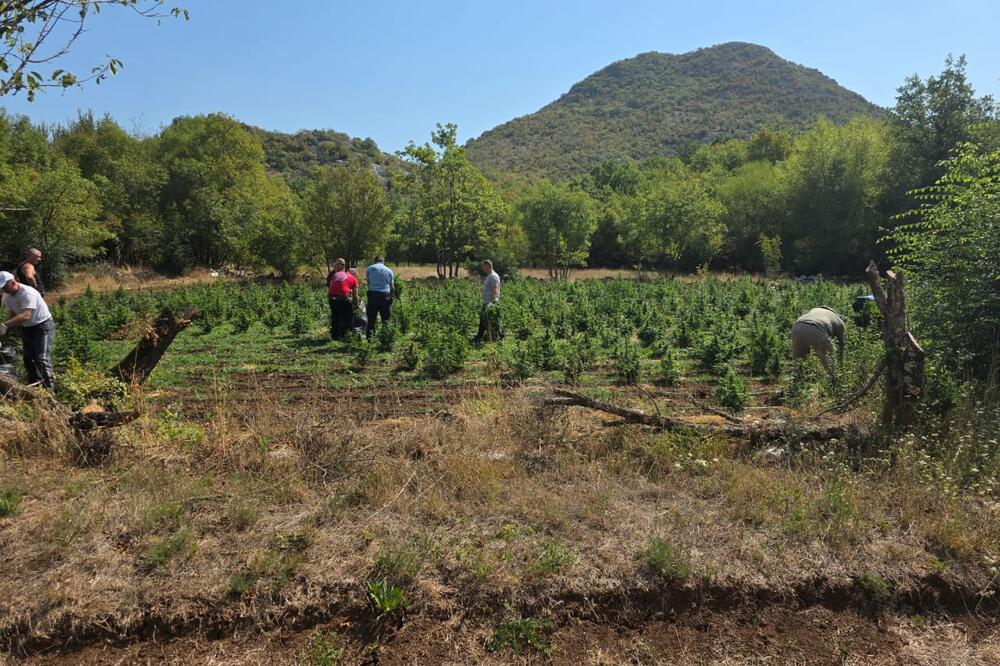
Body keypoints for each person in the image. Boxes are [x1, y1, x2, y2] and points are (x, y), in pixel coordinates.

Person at [0, 270, 56, 388]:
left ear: (12, 282)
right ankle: (34, 387)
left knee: (42, 358)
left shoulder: (27, 293)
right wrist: (6, 329)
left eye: (5, 287)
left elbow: (26, 315)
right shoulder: (9, 297)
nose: (3, 290)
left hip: (42, 326)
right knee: (28, 359)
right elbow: (12, 315)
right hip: (27, 328)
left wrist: (5, 325)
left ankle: (50, 388)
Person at [791, 306, 845, 377]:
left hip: (797, 326)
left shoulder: (814, 310)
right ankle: (834, 381)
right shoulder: (839, 321)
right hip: (816, 327)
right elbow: (841, 345)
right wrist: (841, 364)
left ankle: (796, 381)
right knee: (831, 361)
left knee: (799, 360)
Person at [326, 259, 359, 340]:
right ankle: (346, 335)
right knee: (348, 316)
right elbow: (355, 295)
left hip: (331, 298)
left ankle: (335, 337)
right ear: (354, 275)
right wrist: (357, 305)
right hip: (342, 298)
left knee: (335, 317)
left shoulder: (335, 274)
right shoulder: (353, 279)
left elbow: (331, 286)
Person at [364, 255, 395, 340]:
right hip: (384, 296)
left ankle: (370, 340)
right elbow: (392, 286)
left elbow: (368, 283)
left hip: (372, 295)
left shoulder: (369, 269)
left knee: (371, 319)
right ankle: (385, 339)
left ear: (375, 261)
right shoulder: (389, 270)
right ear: (383, 261)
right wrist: (392, 296)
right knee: (385, 319)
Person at [472, 259, 502, 345]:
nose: (483, 269)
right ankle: (480, 337)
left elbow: (494, 290)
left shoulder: (493, 276)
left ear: (488, 266)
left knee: (488, 320)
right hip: (487, 302)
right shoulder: (490, 275)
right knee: (489, 320)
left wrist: (491, 304)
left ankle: (479, 338)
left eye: (484, 267)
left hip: (490, 303)